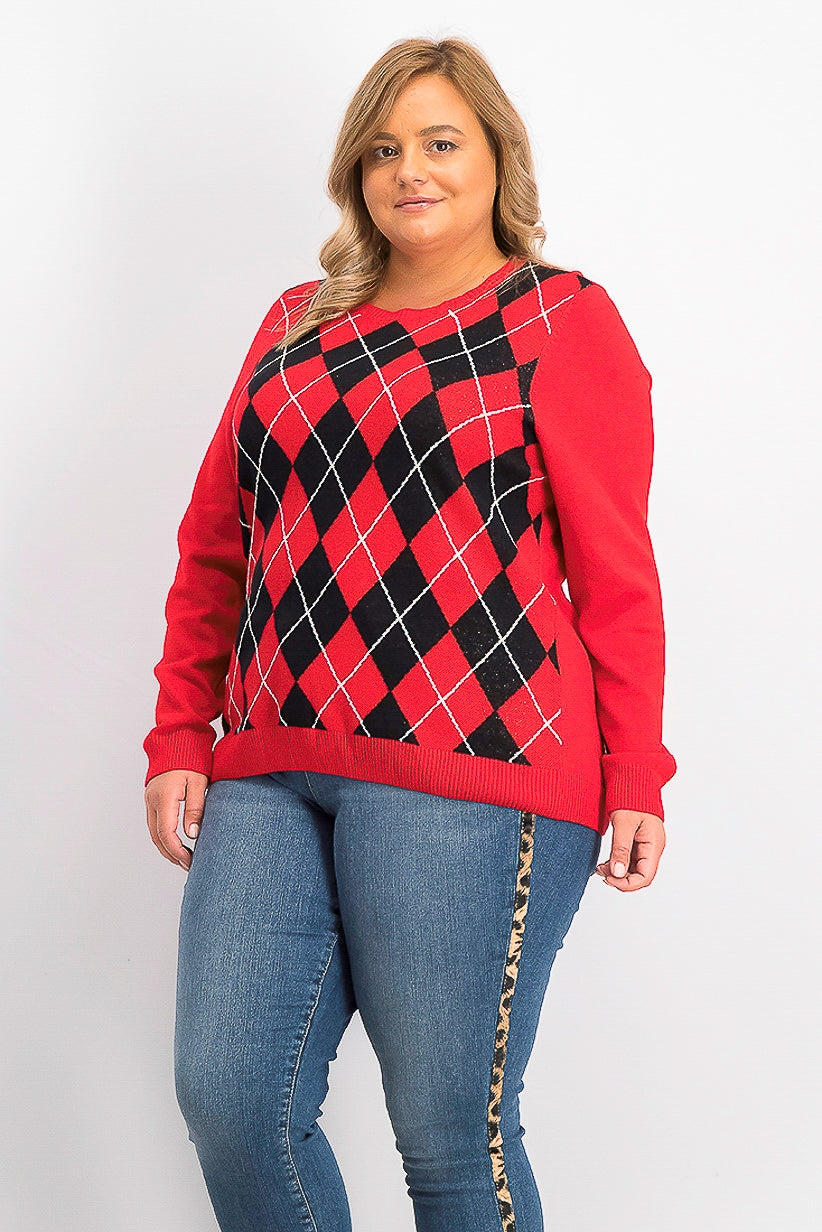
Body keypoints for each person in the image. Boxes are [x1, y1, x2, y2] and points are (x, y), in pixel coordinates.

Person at [142, 35, 677, 1232]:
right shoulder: (294, 323)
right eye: (383, 149)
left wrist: (636, 767)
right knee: (233, 1100)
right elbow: (218, 540)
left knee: (447, 1136)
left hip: (478, 770)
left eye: (440, 143)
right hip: (270, 760)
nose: (410, 171)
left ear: (497, 159)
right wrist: (180, 730)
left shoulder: (562, 320)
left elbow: (617, 575)